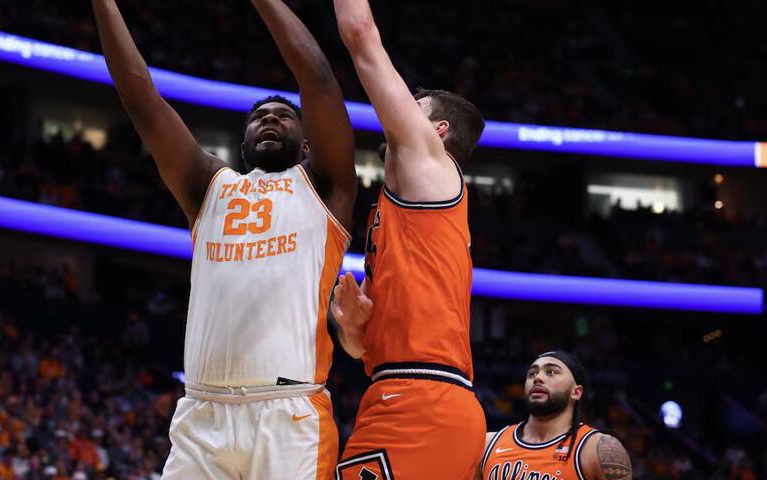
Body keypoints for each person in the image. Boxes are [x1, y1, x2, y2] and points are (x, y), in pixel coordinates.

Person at [91, 0, 356, 477]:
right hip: (202, 415)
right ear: (243, 144)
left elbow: (317, 78)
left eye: (283, 115)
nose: (269, 119)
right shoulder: (209, 185)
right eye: (259, 117)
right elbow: (143, 102)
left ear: (308, 143)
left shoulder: (324, 186)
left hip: (289, 414)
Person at [330, 0, 488, 477]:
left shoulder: (430, 163)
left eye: (413, 108)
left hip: (422, 399)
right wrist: (354, 330)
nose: (394, 113)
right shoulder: (406, 208)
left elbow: (360, 34)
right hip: (409, 391)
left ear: (437, 130)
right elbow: (362, 351)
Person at [476, 351, 633, 480]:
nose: (537, 378)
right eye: (532, 374)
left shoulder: (599, 449)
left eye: (551, 372)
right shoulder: (487, 444)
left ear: (576, 392)